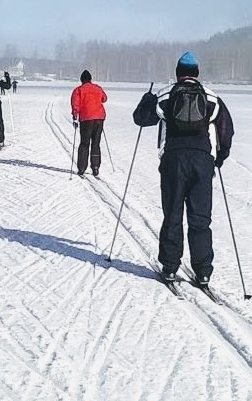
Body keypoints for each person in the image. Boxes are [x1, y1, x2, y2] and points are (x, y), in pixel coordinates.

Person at [132, 51, 234, 286]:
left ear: (178, 73)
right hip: (202, 162)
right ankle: (203, 271)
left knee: (173, 215)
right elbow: (226, 130)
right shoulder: (212, 97)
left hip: (173, 160)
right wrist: (220, 157)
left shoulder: (166, 94)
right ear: (197, 74)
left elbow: (141, 119)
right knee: (200, 218)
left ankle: (169, 267)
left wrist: (147, 99)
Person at [70, 69, 107, 177]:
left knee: (84, 143)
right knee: (96, 143)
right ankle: (95, 167)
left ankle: (82, 168)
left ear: (81, 80)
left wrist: (75, 116)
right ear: (90, 79)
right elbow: (104, 99)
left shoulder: (78, 90)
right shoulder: (98, 88)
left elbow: (75, 104)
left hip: (86, 119)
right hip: (99, 118)